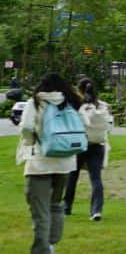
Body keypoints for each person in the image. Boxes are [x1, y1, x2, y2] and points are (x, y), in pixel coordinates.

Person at [19, 73, 81, 254]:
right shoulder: (70, 102)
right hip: (65, 162)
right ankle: (52, 243)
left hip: (40, 162)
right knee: (56, 204)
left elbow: (26, 127)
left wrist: (30, 143)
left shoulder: (36, 102)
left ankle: (41, 250)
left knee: (40, 209)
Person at [64, 78, 112, 221]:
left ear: (79, 89)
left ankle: (67, 206)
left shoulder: (76, 106)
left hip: (78, 145)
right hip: (97, 145)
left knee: (72, 177)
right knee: (96, 179)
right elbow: (109, 127)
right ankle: (96, 210)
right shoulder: (102, 106)